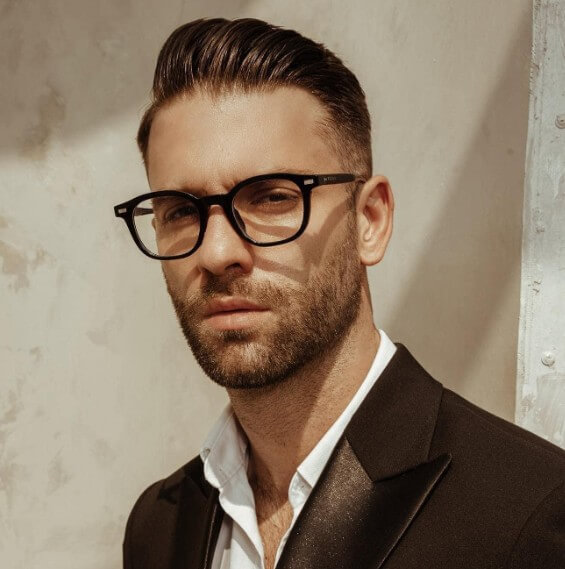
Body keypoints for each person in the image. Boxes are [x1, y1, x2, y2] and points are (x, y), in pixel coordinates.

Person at [114, 17, 565, 569]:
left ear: (369, 220)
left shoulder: (530, 515)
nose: (216, 253)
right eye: (181, 211)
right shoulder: (160, 525)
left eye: (272, 197)